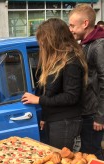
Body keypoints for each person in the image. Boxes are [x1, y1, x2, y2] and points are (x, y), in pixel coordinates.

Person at [21, 18, 88, 150]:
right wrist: (45, 117)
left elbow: (71, 96)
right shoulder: (56, 60)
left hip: (66, 122)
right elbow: (50, 91)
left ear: (54, 39)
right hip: (55, 120)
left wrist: (38, 100)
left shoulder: (71, 61)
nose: (41, 43)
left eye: (43, 38)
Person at [68, 4, 104, 160]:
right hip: (89, 110)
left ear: (85, 23)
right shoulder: (88, 43)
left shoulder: (100, 46)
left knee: (91, 153)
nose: (70, 29)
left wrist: (101, 117)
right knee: (88, 151)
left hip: (94, 113)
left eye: (72, 26)